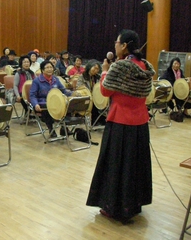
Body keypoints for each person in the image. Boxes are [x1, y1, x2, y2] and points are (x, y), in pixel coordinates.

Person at [86, 29, 155, 223]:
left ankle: (113, 207)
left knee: (116, 166)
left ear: (124, 45)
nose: (115, 45)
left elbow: (105, 90)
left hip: (120, 122)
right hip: (140, 123)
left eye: (117, 42)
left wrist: (105, 70)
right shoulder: (145, 66)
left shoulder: (120, 66)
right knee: (134, 165)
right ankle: (133, 204)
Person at [30, 60, 72, 137]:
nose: (49, 69)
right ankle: (51, 129)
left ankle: (64, 128)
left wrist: (73, 94)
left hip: (56, 102)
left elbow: (63, 90)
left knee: (67, 104)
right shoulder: (37, 81)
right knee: (49, 106)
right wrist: (35, 104)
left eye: (51, 67)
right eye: (47, 67)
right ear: (42, 70)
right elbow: (32, 95)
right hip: (42, 102)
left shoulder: (55, 79)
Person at [76, 59, 105, 125]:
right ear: (89, 67)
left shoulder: (97, 77)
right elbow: (79, 87)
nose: (96, 70)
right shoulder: (82, 76)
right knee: (94, 103)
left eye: (97, 69)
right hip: (86, 97)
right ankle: (94, 122)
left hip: (95, 97)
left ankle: (100, 119)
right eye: (94, 68)